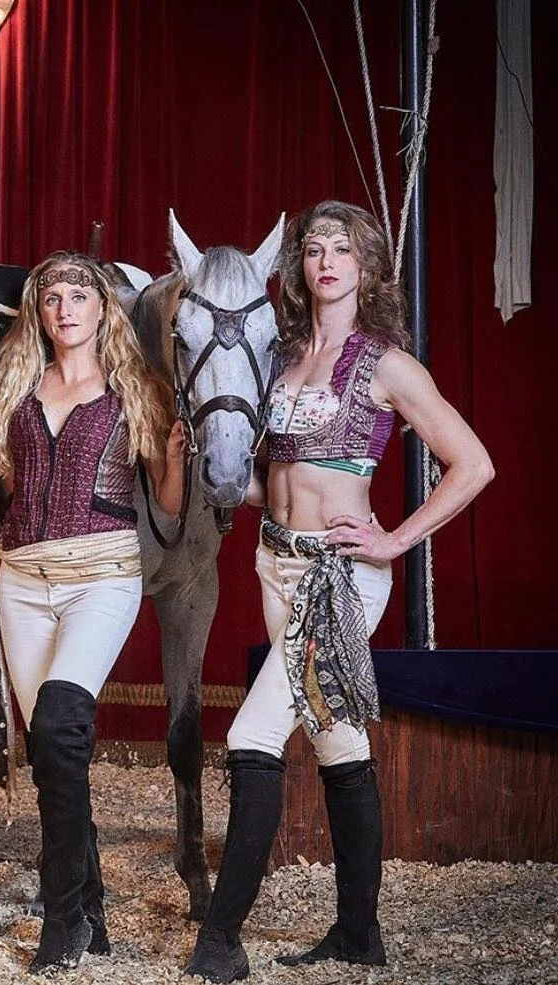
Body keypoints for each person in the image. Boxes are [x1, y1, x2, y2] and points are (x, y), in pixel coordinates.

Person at [183, 201, 495, 982]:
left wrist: (393, 539)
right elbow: (269, 482)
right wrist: (206, 465)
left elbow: (472, 462)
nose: (325, 261)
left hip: (339, 577)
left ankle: (219, 942)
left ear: (366, 266)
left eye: (341, 249)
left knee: (252, 738)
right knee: (337, 743)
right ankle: (359, 934)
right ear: (298, 267)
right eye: (314, 248)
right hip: (273, 563)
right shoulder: (282, 354)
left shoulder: (385, 363)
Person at [0, 251, 185, 974]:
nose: (65, 309)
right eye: (52, 297)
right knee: (52, 751)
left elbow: (167, 504)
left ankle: (61, 920)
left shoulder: (136, 389)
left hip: (102, 574)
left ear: (102, 309)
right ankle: (88, 906)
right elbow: (7, 479)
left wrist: (177, 458)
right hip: (22, 578)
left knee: (61, 724)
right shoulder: (14, 383)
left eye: (78, 297)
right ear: (38, 310)